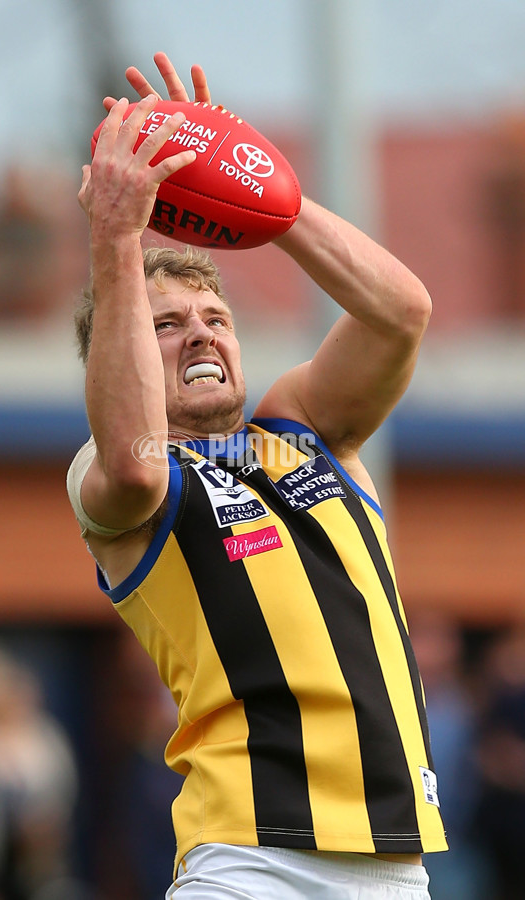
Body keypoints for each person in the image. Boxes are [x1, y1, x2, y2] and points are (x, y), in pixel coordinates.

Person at [67, 52, 447, 900]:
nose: (201, 335)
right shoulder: (123, 472)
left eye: (215, 318)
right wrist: (118, 238)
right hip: (250, 866)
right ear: (118, 355)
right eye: (167, 326)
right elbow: (129, 448)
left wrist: (252, 187)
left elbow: (400, 314)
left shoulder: (303, 431)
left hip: (399, 870)